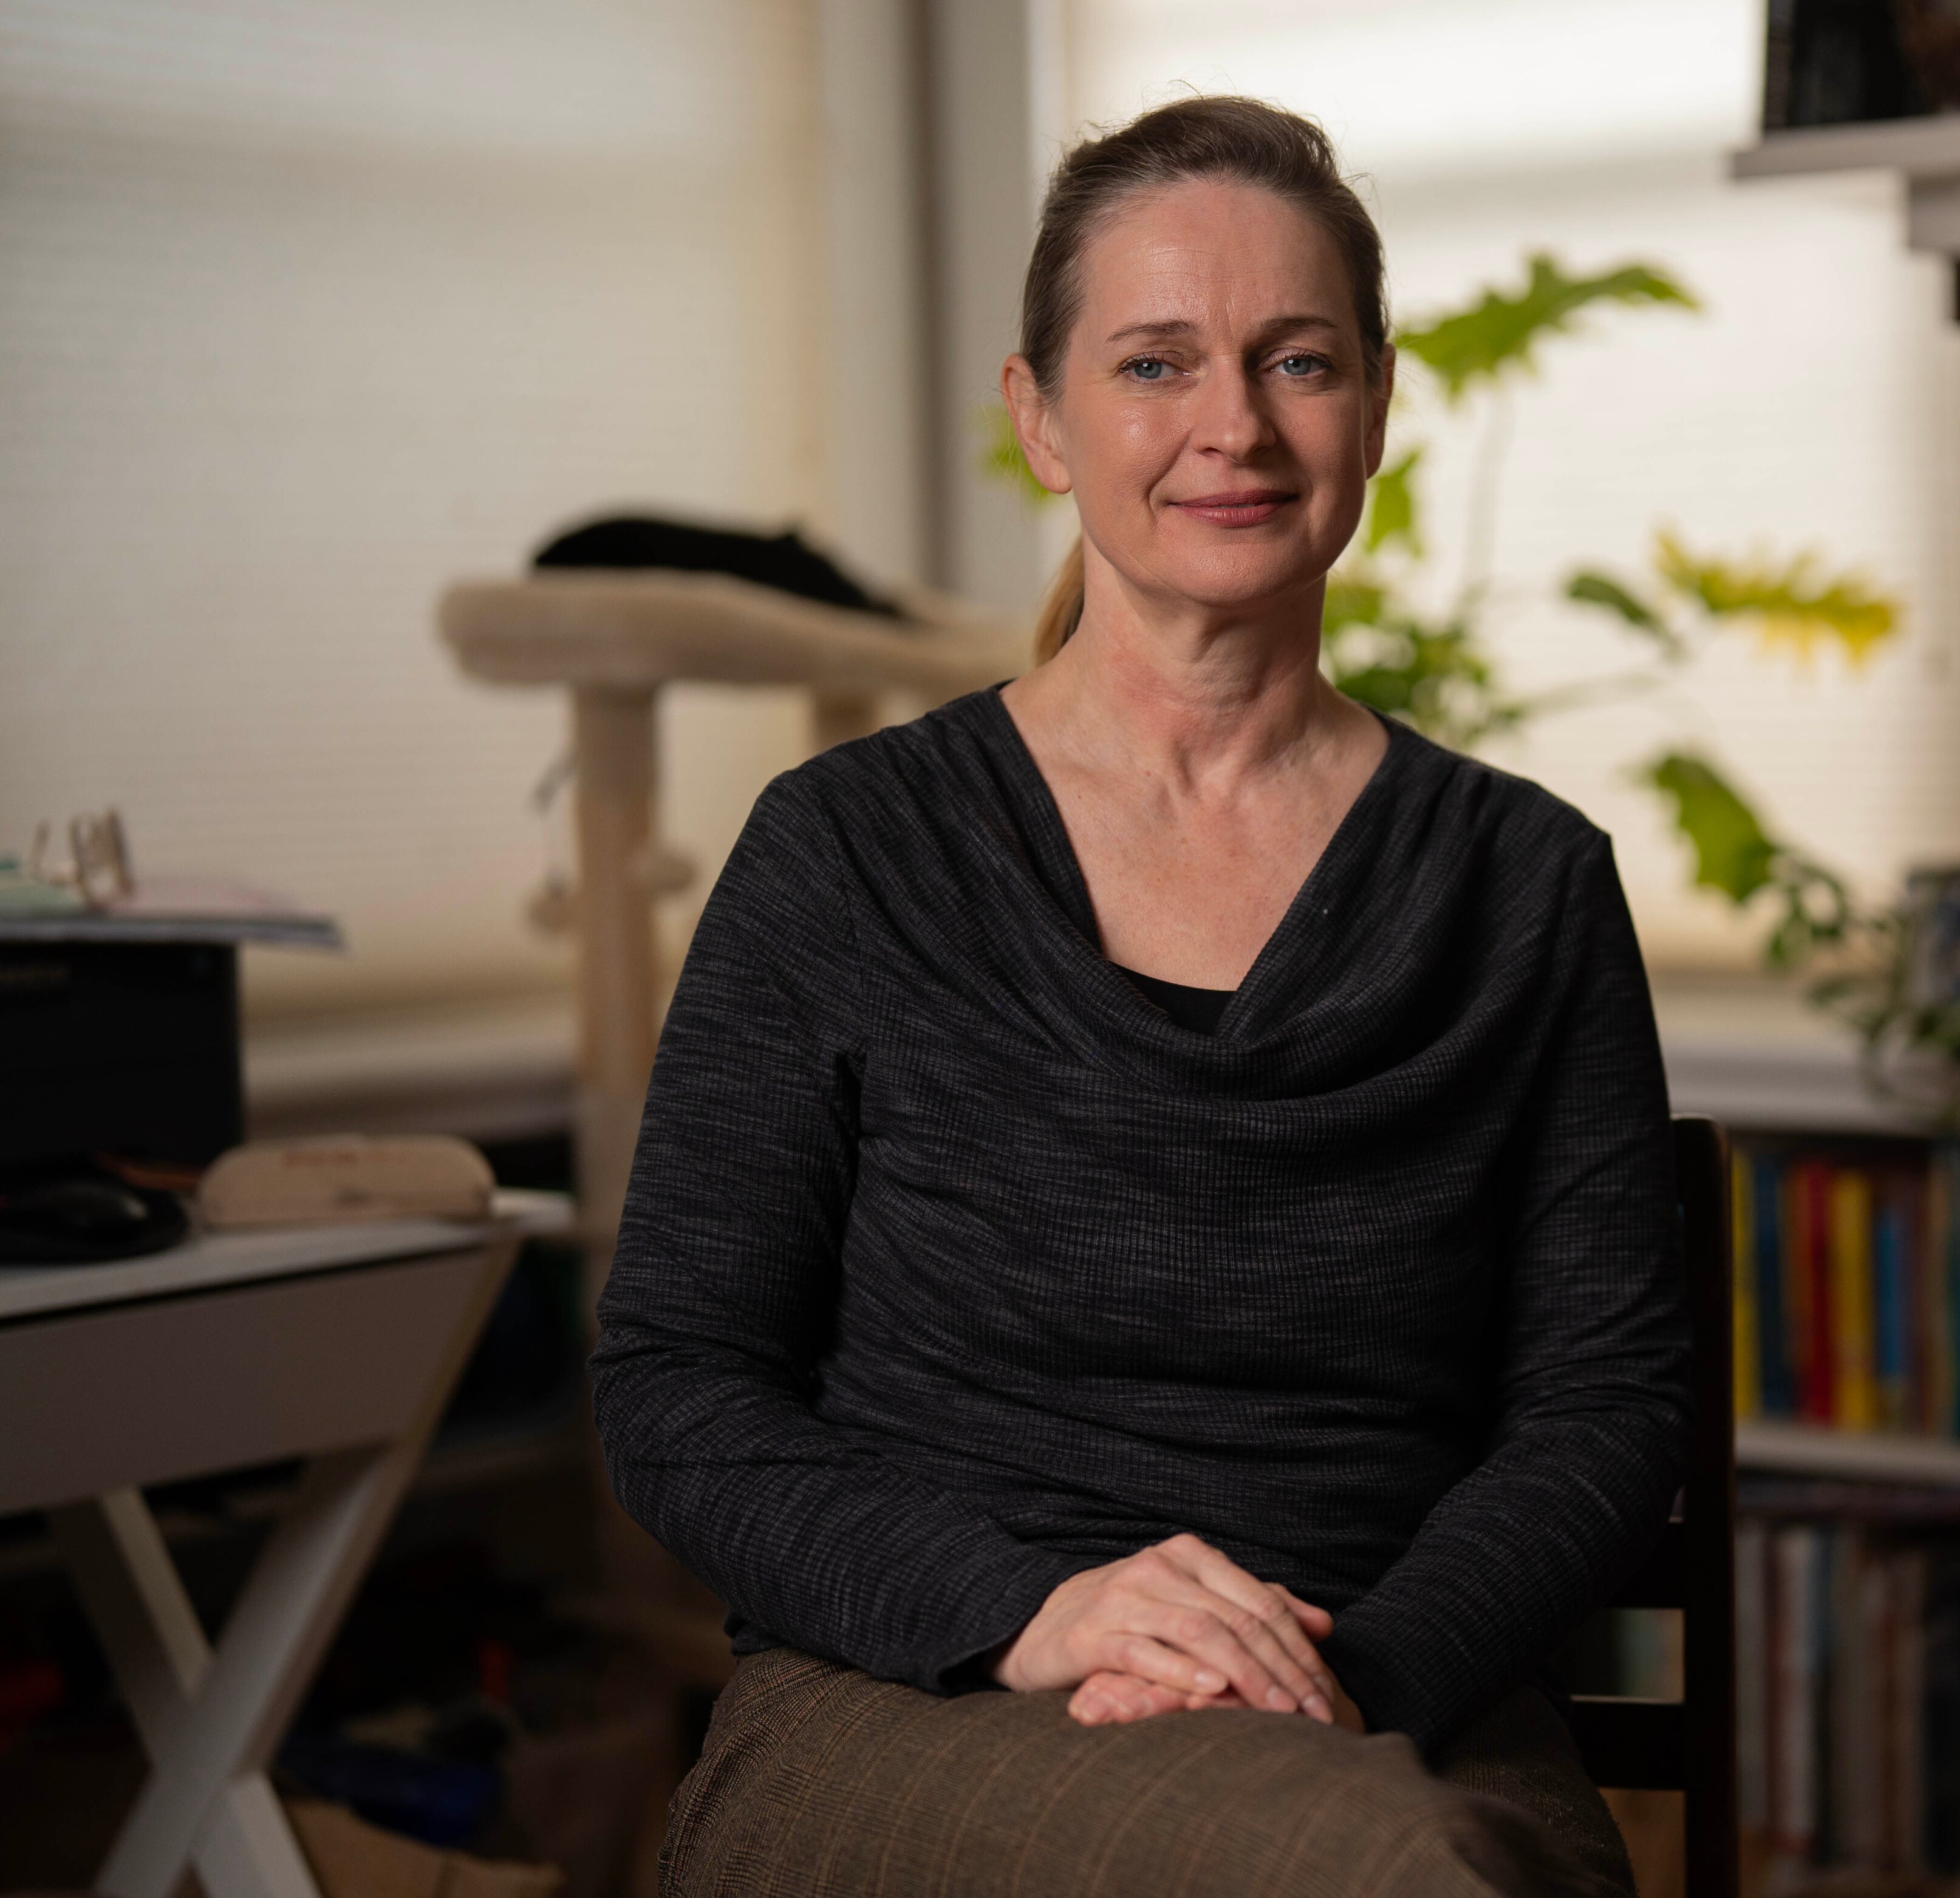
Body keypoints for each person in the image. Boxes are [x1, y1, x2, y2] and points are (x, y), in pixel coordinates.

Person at [589, 95, 1689, 1898]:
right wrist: (1036, 1612)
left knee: (1415, 1868)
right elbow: (678, 1384)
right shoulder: (846, 852)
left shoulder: (1525, 884)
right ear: (1040, 417)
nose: (1234, 426)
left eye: (1298, 361)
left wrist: (1345, 1683)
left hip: (1392, 1721)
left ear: (1379, 406)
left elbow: (1605, 1409)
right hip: (925, 1699)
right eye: (1156, 362)